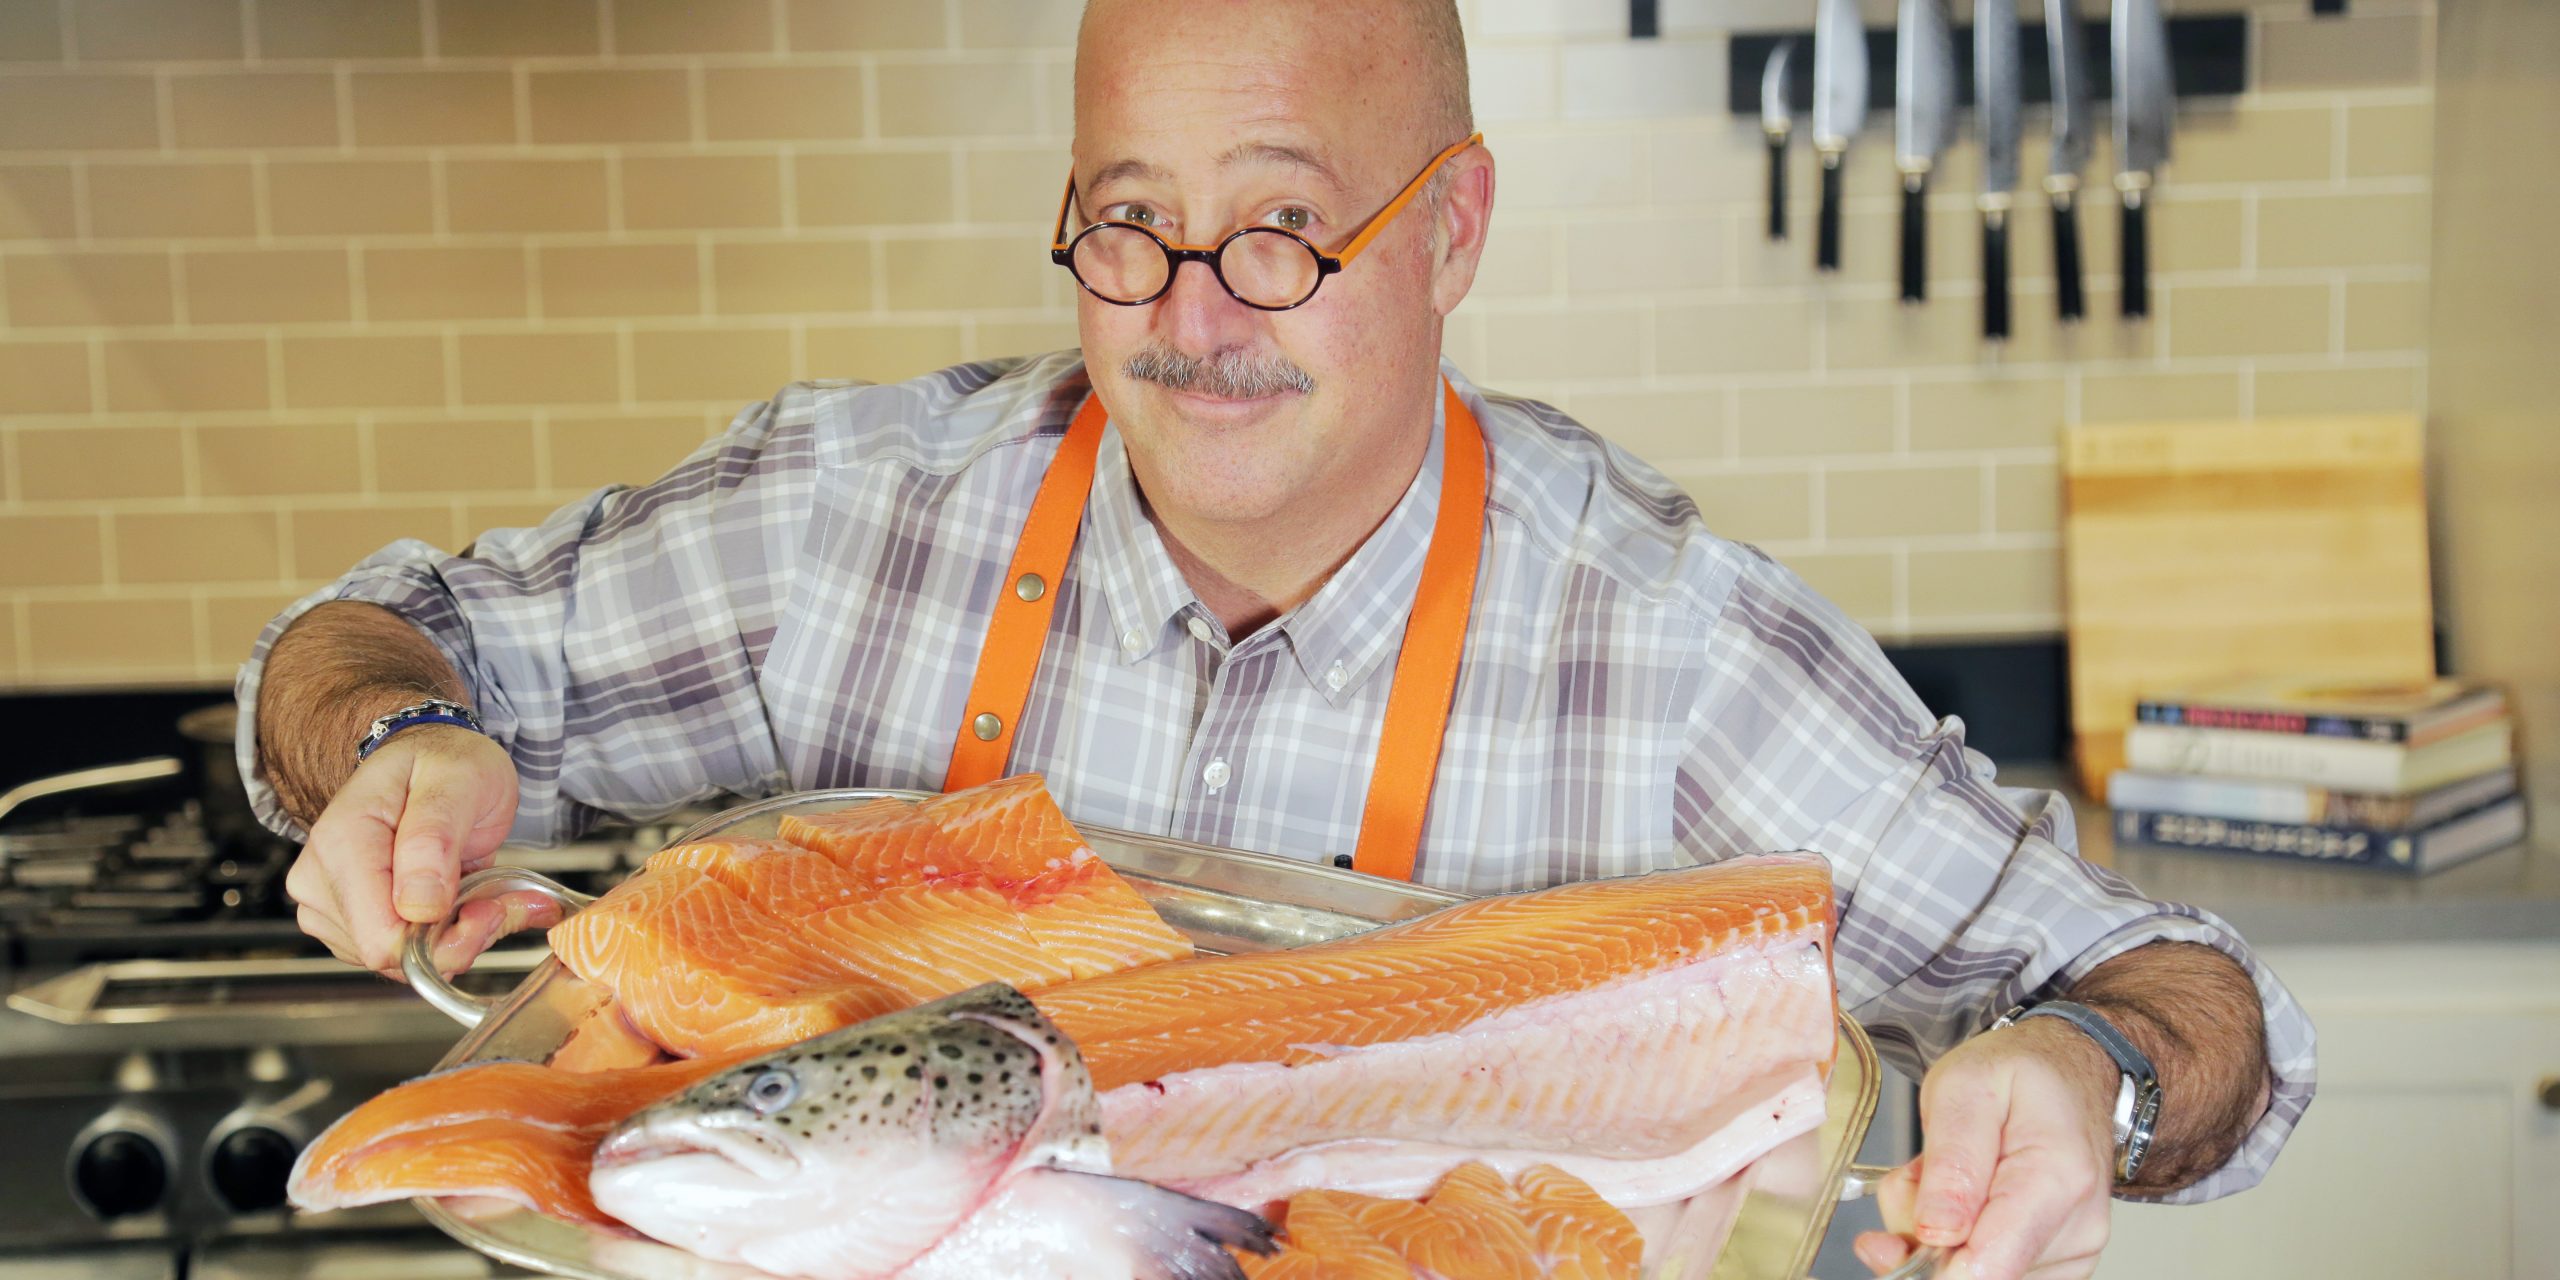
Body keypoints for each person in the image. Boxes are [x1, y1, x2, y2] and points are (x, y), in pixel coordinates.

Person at [237, 2, 2313, 1277]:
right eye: (1125, 218)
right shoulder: (840, 522)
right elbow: (364, 642)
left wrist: (2090, 1074)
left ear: (1452, 228)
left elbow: (2200, 1007)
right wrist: (406, 740)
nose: (1186, 310)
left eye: (1278, 225)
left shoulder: (1665, 644)